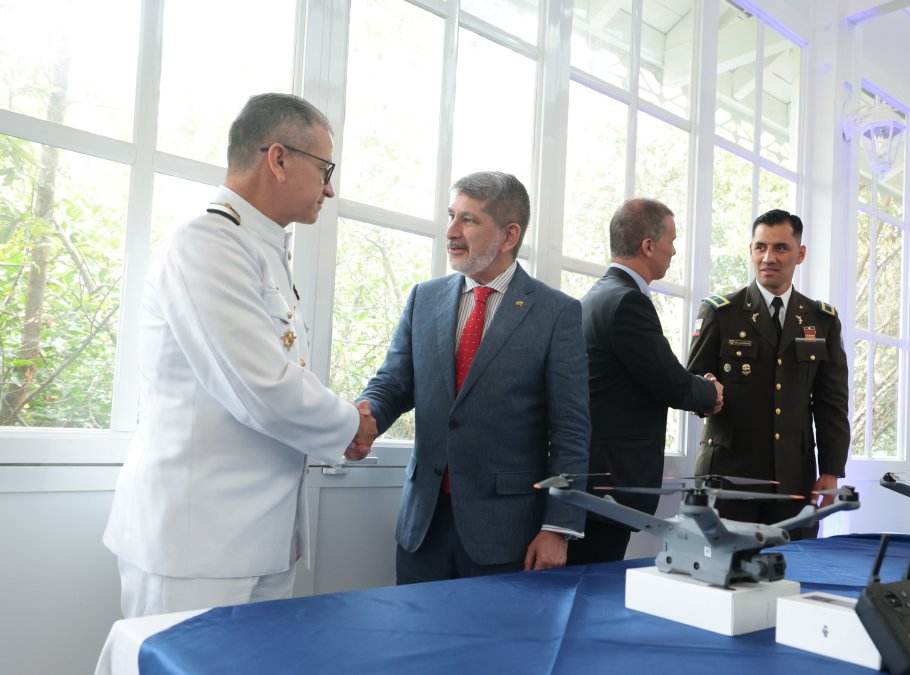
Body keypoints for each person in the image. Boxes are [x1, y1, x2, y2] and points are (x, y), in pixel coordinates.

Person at [103, 93, 377, 618]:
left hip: (256, 539)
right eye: (325, 169)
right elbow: (262, 386)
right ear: (278, 159)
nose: (330, 188)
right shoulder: (207, 243)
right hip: (196, 545)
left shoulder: (260, 248)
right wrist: (351, 425)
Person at [357, 171, 590, 584]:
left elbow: (570, 429)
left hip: (508, 534)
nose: (451, 231)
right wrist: (361, 418)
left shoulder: (557, 313)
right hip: (423, 526)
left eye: (468, 220)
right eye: (451, 216)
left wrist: (558, 527)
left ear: (509, 235)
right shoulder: (424, 298)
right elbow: (394, 383)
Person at [568, 199, 724, 565]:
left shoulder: (598, 295)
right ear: (649, 246)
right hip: (608, 483)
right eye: (672, 240)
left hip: (592, 477)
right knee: (595, 583)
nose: (674, 251)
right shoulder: (628, 302)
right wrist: (711, 391)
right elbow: (669, 381)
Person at [685, 209, 849, 537]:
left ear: (800, 254)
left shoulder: (822, 320)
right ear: (750, 250)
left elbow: (831, 402)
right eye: (760, 247)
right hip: (728, 476)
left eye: (780, 248)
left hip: (794, 480)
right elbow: (691, 385)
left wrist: (831, 469)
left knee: (793, 564)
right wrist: (706, 396)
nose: (768, 257)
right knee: (726, 565)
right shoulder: (721, 312)